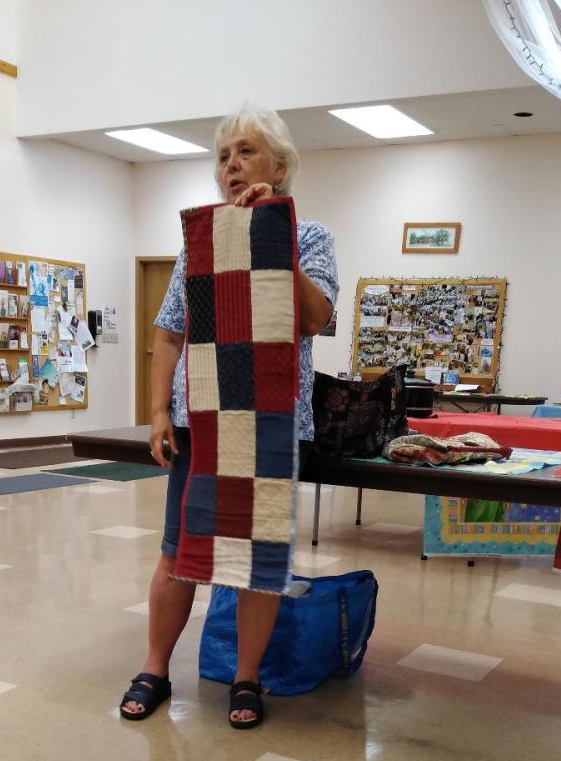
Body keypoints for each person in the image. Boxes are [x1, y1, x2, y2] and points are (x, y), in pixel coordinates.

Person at [120, 106, 338, 728]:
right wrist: (157, 412)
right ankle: (155, 668)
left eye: (246, 152)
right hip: (203, 423)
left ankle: (247, 679)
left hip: (271, 426)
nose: (232, 166)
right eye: (223, 156)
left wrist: (272, 235)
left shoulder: (310, 236)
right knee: (178, 550)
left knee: (256, 561)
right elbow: (170, 333)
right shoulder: (201, 242)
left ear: (279, 165)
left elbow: (316, 318)